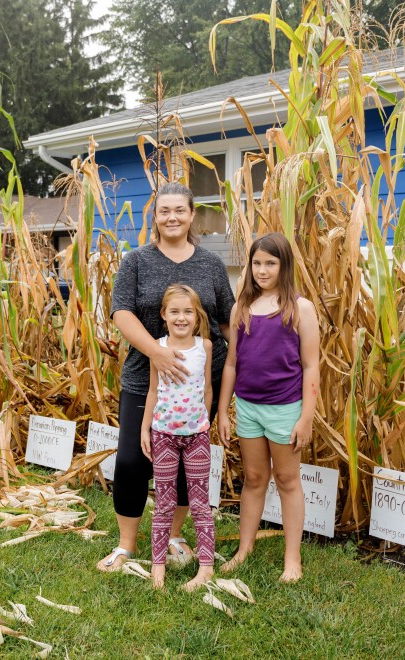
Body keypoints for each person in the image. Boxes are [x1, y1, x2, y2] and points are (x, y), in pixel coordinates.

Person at [97, 182, 235, 572]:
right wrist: (156, 352)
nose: (171, 217)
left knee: (183, 464)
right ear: (154, 217)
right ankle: (126, 545)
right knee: (131, 461)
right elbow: (121, 313)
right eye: (164, 211)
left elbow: (228, 321)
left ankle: (174, 535)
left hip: (197, 386)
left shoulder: (210, 265)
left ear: (192, 216)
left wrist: (238, 373)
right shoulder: (137, 261)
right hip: (145, 378)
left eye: (179, 210)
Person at [217, 232, 320, 582]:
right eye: (257, 263)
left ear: (283, 265)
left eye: (270, 263)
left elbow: (311, 366)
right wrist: (222, 411)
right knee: (255, 478)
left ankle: (293, 560)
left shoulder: (300, 308)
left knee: (288, 480)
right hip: (248, 408)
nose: (262, 270)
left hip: (284, 409)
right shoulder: (240, 307)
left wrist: (306, 417)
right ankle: (245, 548)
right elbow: (232, 363)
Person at [140, 285, 215, 590]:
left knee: (199, 501)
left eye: (188, 312)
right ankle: (158, 567)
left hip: (196, 436)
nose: (181, 318)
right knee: (164, 502)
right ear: (164, 315)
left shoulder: (205, 347)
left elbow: (207, 388)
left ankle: (207, 566)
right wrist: (145, 428)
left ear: (197, 317)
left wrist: (204, 421)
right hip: (164, 435)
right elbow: (154, 391)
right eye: (175, 311)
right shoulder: (157, 347)